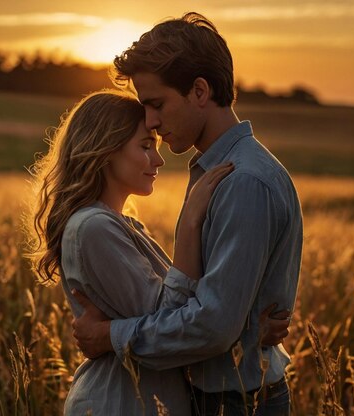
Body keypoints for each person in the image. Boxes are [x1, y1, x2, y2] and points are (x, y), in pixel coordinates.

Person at [71, 12, 303, 416]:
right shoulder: (218, 173)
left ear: (199, 91)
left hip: (239, 403)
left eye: (157, 104)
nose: (152, 122)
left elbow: (212, 325)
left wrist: (110, 337)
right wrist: (248, 330)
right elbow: (216, 317)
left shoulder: (243, 182)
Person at [28, 89, 287, 415]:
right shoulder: (93, 228)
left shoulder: (123, 225)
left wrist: (244, 330)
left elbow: (180, 318)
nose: (159, 159)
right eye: (145, 146)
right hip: (121, 402)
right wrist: (190, 223)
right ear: (105, 149)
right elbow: (168, 315)